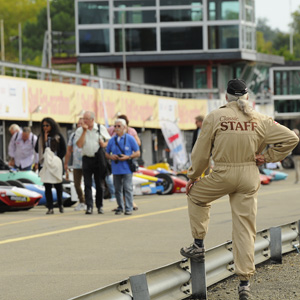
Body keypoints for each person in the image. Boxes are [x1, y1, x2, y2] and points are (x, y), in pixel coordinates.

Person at [180, 79, 299, 300]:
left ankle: (198, 244)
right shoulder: (260, 119)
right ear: (246, 97)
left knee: (196, 196)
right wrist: (267, 157)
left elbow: (201, 153)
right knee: (244, 228)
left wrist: (194, 176)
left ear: (226, 97)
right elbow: (291, 138)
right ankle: (244, 283)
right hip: (249, 175)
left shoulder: (215, 117)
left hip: (223, 173)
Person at [75, 111, 111, 215]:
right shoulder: (79, 130)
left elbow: (109, 140)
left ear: (92, 120)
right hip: (86, 158)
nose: (84, 121)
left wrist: (104, 144)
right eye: (83, 118)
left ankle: (99, 206)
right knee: (87, 184)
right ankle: (89, 206)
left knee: (99, 184)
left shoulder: (100, 128)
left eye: (86, 119)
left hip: (98, 159)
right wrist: (84, 132)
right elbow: (79, 145)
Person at [105, 119, 140, 215]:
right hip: (116, 169)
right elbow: (107, 153)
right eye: (115, 126)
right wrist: (112, 156)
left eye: (119, 126)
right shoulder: (112, 140)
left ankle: (128, 208)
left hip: (127, 168)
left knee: (127, 188)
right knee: (117, 189)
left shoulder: (130, 138)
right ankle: (120, 207)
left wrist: (128, 156)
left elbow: (137, 152)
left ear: (124, 127)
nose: (116, 128)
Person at [35, 118, 66, 214]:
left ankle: (60, 204)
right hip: (45, 164)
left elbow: (63, 149)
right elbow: (37, 149)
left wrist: (56, 159)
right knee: (47, 186)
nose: (45, 127)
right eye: (43, 126)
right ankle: (50, 207)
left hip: (56, 163)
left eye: (47, 125)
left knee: (58, 185)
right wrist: (43, 139)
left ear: (52, 126)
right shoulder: (40, 137)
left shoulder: (58, 136)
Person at [64, 118, 86, 211]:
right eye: (78, 124)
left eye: (82, 123)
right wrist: (66, 163)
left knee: (88, 184)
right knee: (77, 184)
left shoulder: (88, 134)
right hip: (76, 163)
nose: (79, 125)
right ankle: (82, 202)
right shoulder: (73, 135)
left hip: (87, 163)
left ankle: (90, 202)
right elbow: (69, 150)